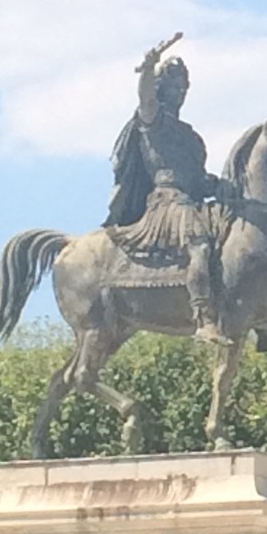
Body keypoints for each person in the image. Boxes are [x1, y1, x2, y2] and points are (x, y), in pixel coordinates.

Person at [104, 34, 232, 340]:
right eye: (174, 86)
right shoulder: (153, 120)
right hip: (168, 201)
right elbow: (145, 99)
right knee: (199, 243)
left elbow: (198, 178)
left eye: (184, 87)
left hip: (193, 199)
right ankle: (203, 318)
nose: (180, 92)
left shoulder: (190, 135)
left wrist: (219, 185)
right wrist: (149, 68)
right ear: (161, 87)